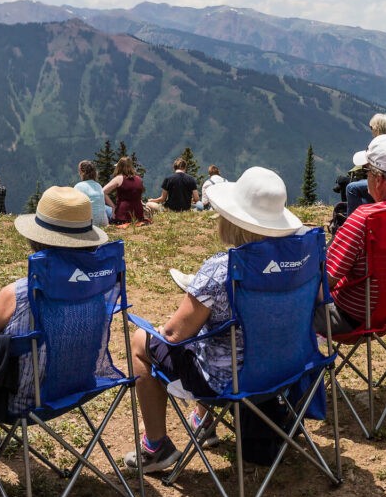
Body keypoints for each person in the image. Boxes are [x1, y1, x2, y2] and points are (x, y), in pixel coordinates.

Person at [123, 167, 303, 472]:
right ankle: (203, 421)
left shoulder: (221, 269)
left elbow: (174, 334)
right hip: (284, 366)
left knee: (142, 341)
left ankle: (156, 446)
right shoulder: (301, 259)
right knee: (214, 334)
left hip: (229, 380)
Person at [0, 186, 109, 413]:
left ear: (37, 240)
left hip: (25, 397)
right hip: (79, 385)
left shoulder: (20, 294)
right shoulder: (98, 286)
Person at [318, 135, 386, 334]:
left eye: (366, 171)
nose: (364, 176)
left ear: (380, 180)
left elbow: (324, 279)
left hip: (356, 318)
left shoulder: (365, 219)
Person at [344, 113, 386, 216]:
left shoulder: (377, 143)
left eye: (371, 127)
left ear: (377, 128)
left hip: (384, 181)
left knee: (351, 188)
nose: (371, 130)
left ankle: (353, 222)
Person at [103, 157, 148, 224]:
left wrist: (113, 207)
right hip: (139, 216)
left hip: (123, 216)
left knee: (105, 209)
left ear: (118, 167)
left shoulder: (118, 178)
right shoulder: (139, 179)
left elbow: (102, 192)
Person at [74, 160, 110, 227]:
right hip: (104, 222)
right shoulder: (98, 185)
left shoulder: (79, 186)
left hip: (90, 223)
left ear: (82, 172)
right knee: (106, 208)